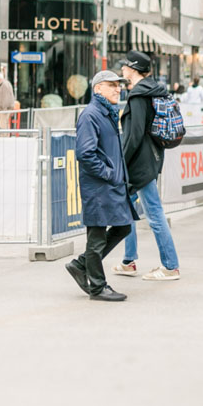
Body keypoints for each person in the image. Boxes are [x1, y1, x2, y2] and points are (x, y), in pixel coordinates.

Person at [63, 71, 138, 302]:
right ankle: (97, 287)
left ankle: (81, 264)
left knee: (124, 226)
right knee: (96, 239)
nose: (118, 89)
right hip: (99, 186)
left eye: (119, 85)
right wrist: (109, 174)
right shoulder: (91, 115)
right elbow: (86, 153)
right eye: (112, 85)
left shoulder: (106, 112)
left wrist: (118, 176)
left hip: (110, 185)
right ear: (97, 89)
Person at [111, 51, 180, 282]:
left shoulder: (139, 95)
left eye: (124, 67)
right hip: (150, 157)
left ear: (132, 69)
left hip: (139, 163)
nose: (122, 70)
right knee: (127, 207)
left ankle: (170, 266)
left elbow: (134, 134)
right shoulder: (152, 90)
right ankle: (128, 260)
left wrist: (121, 160)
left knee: (154, 213)